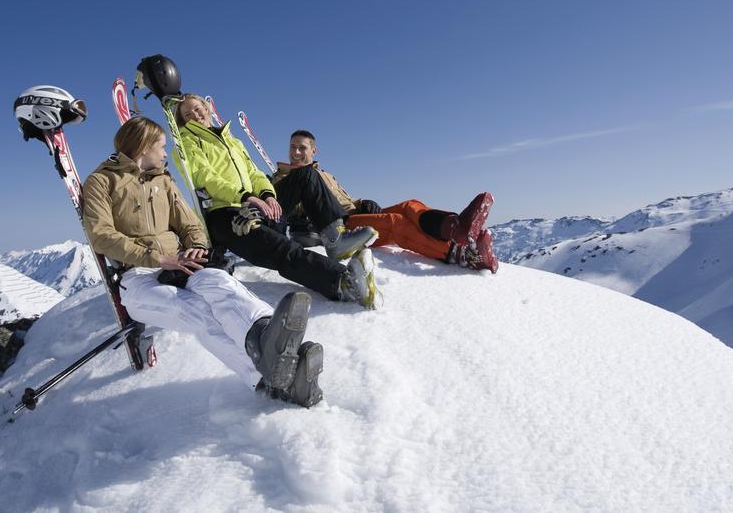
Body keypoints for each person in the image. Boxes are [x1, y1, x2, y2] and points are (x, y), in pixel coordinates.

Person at [82, 116, 323, 407]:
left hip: (180, 264)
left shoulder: (164, 182)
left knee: (222, 284)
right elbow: (101, 236)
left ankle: (269, 335)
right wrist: (158, 258)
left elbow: (191, 225)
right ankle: (269, 381)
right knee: (195, 311)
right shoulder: (102, 181)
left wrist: (196, 246)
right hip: (137, 275)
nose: (164, 152)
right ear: (143, 146)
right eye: (160, 146)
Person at [173, 94, 381, 309]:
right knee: (281, 248)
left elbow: (255, 173)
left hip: (255, 206)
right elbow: (206, 178)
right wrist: (246, 197)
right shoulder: (186, 144)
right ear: (184, 121)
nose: (196, 115)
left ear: (207, 109)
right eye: (188, 114)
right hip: (226, 214)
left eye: (198, 109)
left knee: (306, 175)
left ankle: (335, 240)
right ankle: (342, 282)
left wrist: (267, 195)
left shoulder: (231, 141)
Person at [272, 130, 499, 272]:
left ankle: (455, 228)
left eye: (302, 148)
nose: (296, 153)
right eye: (293, 147)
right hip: (336, 225)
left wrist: (362, 202)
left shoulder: (324, 174)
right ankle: (461, 254)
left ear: (313, 150)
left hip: (352, 214)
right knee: (394, 222)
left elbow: (346, 200)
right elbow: (290, 205)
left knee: (409, 205)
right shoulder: (286, 177)